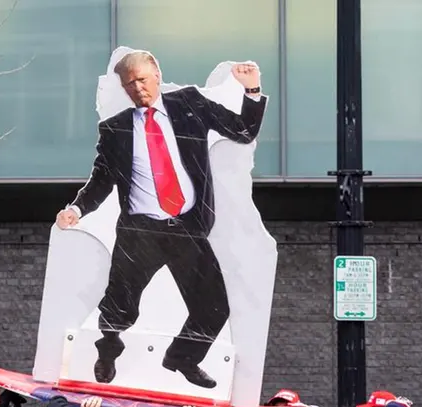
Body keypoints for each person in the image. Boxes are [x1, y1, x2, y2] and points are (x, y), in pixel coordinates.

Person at [55, 50, 267, 389]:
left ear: (156, 73)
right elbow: (101, 179)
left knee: (213, 306)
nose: (137, 88)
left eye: (141, 79)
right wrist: (77, 209)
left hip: (185, 225)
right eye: (129, 84)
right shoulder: (116, 128)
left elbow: (242, 131)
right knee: (118, 308)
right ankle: (108, 351)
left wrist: (252, 91)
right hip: (140, 231)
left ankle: (182, 357)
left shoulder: (189, 104)